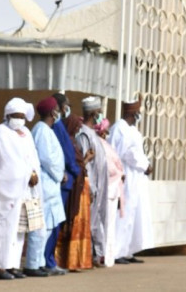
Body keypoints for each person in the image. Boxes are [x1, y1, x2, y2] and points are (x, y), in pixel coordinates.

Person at [0, 97, 40, 280]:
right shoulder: (1, 132)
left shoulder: (26, 133)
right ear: (8, 116)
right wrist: (26, 174)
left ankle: (12, 264)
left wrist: (34, 173)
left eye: (22, 116)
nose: (19, 119)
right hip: (6, 189)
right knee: (3, 228)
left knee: (18, 229)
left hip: (23, 188)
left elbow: (32, 158)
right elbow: (7, 162)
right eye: (16, 116)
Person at [24, 97, 67, 277]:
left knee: (47, 228)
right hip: (46, 183)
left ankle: (39, 262)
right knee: (40, 227)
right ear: (52, 112)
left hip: (51, 184)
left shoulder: (47, 130)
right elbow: (47, 158)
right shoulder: (41, 130)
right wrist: (60, 173)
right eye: (58, 109)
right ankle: (32, 264)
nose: (60, 112)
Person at [109, 98, 153, 265]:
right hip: (126, 176)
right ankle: (117, 252)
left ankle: (127, 251)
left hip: (136, 178)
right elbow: (128, 153)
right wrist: (145, 165)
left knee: (133, 215)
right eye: (138, 111)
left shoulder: (132, 130)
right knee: (123, 215)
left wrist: (145, 164)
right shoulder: (119, 128)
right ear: (133, 113)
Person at [46, 93, 80, 273]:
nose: (68, 109)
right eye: (66, 105)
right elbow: (66, 154)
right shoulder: (55, 127)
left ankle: (49, 260)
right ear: (58, 107)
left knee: (56, 223)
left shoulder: (58, 126)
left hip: (64, 180)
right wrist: (75, 170)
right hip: (60, 181)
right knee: (52, 225)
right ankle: (48, 261)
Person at [55, 115, 93, 272]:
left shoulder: (74, 143)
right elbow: (74, 165)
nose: (78, 129)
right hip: (71, 189)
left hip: (80, 189)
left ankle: (77, 260)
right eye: (76, 126)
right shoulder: (67, 143)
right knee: (68, 223)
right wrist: (87, 159)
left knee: (79, 224)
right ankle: (65, 261)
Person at [77, 96, 107, 267]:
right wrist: (90, 186)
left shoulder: (93, 133)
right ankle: (91, 255)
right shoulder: (83, 134)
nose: (101, 114)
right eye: (99, 111)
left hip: (100, 187)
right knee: (90, 222)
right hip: (92, 186)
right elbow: (86, 164)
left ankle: (97, 254)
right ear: (93, 113)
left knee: (96, 221)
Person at [94, 117, 125, 268]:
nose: (107, 131)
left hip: (112, 189)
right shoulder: (100, 145)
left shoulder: (105, 144)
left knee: (108, 225)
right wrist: (120, 172)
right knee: (104, 225)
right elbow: (108, 168)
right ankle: (104, 256)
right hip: (107, 189)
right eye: (106, 128)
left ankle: (107, 256)